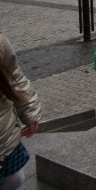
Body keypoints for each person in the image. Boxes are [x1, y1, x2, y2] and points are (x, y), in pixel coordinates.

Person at [0, 32, 42, 190]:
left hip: (5, 138)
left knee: (15, 177)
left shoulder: (0, 42)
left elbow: (15, 78)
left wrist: (30, 111)